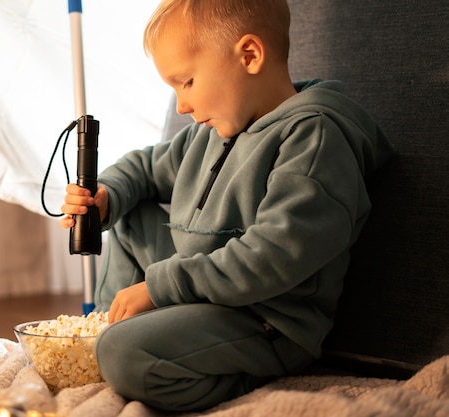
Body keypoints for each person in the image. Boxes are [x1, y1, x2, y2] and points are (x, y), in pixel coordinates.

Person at [60, 0, 394, 411]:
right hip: (202, 293)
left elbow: (271, 258)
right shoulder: (214, 129)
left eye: (186, 82)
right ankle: (109, 334)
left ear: (249, 56)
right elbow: (145, 167)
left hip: (263, 321)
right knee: (130, 215)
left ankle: (193, 369)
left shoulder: (313, 139)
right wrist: (106, 195)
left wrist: (160, 287)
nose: (181, 106)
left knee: (123, 355)